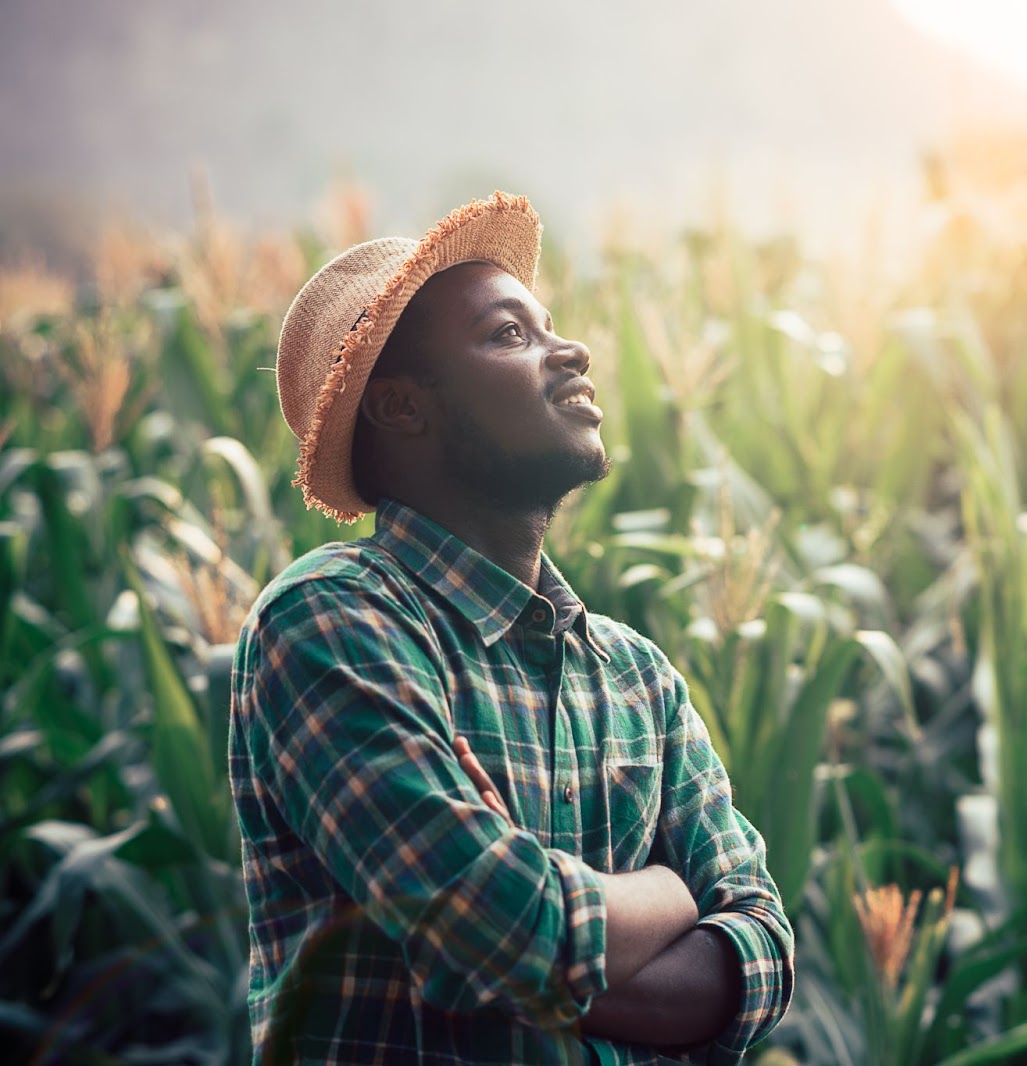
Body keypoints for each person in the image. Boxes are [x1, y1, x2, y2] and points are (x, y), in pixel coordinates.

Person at [229, 192, 794, 1065]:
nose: (571, 352)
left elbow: (764, 955)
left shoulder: (634, 675)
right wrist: (674, 894)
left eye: (550, 325)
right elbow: (495, 928)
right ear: (402, 407)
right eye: (508, 335)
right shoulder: (332, 622)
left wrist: (554, 934)